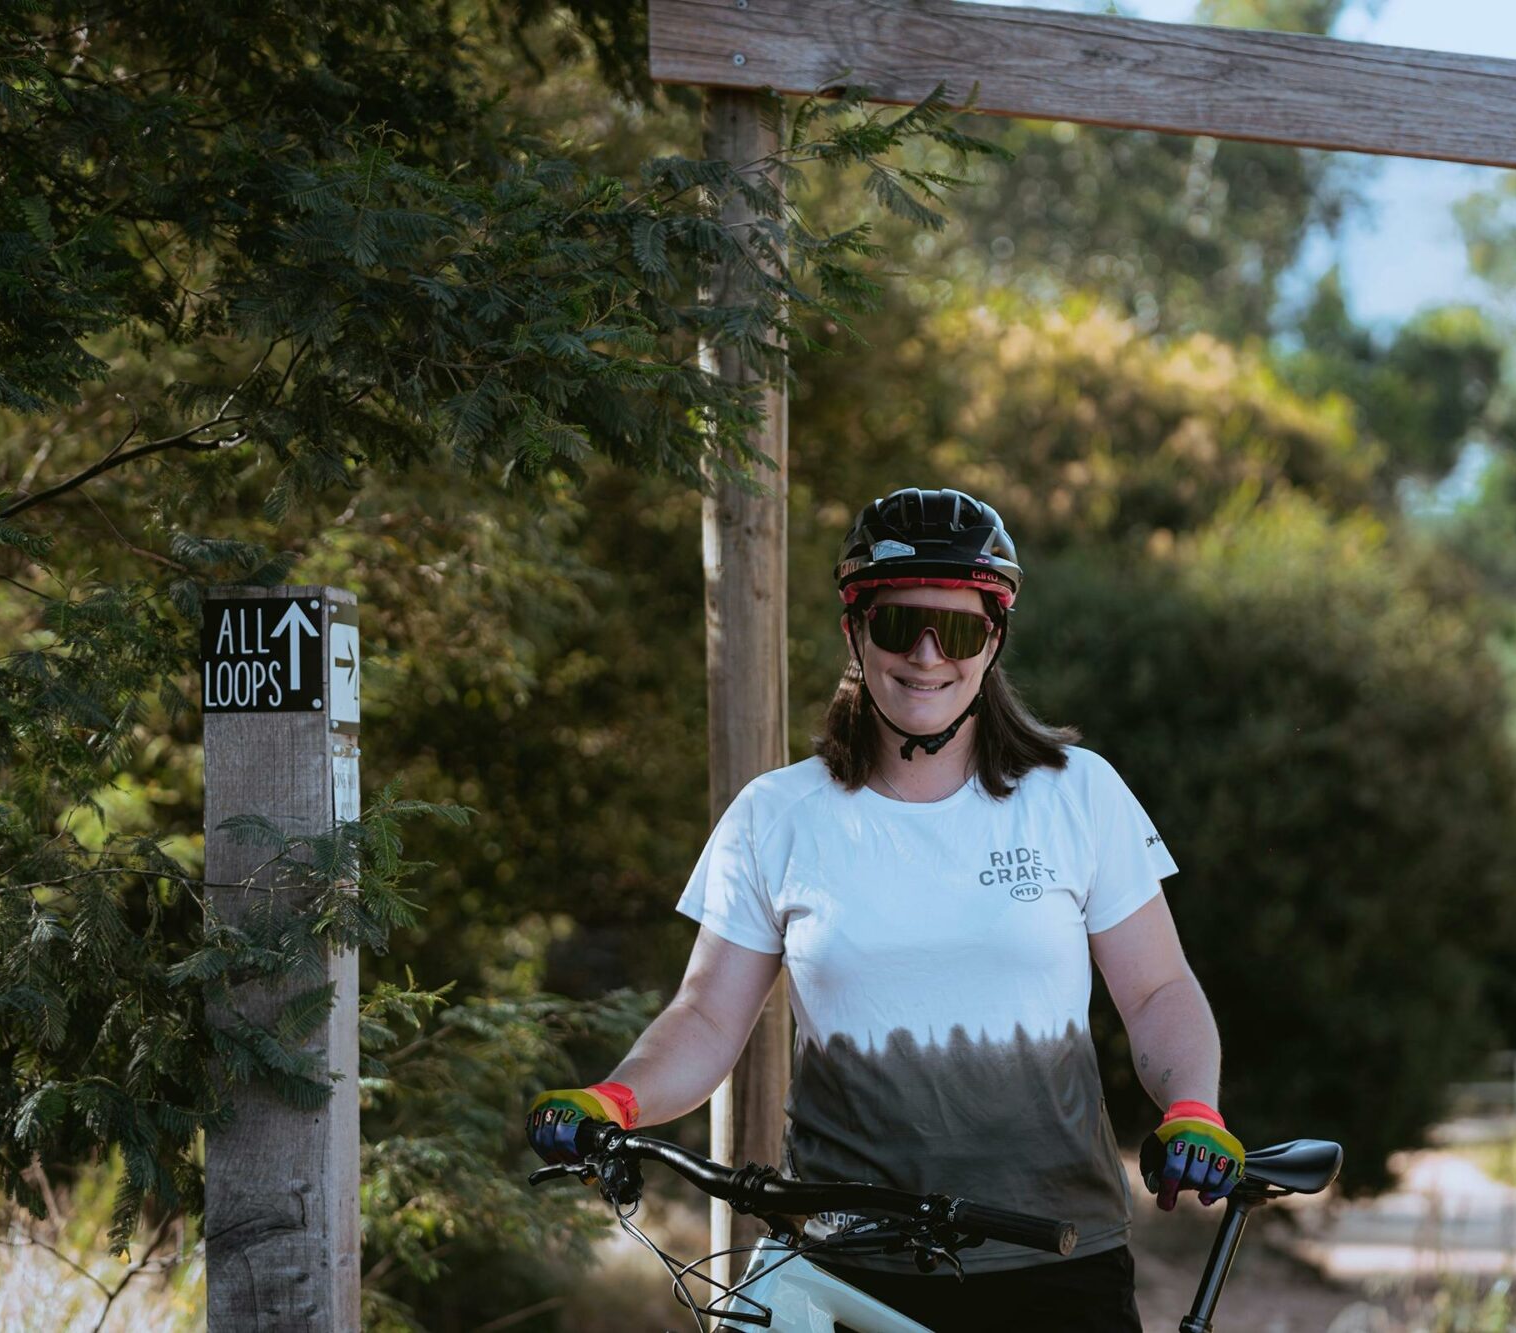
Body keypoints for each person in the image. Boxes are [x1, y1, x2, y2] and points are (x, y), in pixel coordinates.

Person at [528, 487, 1242, 1331]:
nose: (930, 655)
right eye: (902, 624)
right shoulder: (776, 815)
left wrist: (1193, 1106)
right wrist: (617, 1099)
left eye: (963, 629)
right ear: (856, 631)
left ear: (995, 639)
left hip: (1054, 1254)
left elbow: (1158, 990)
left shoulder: (1077, 794)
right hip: (841, 1261)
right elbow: (707, 1016)